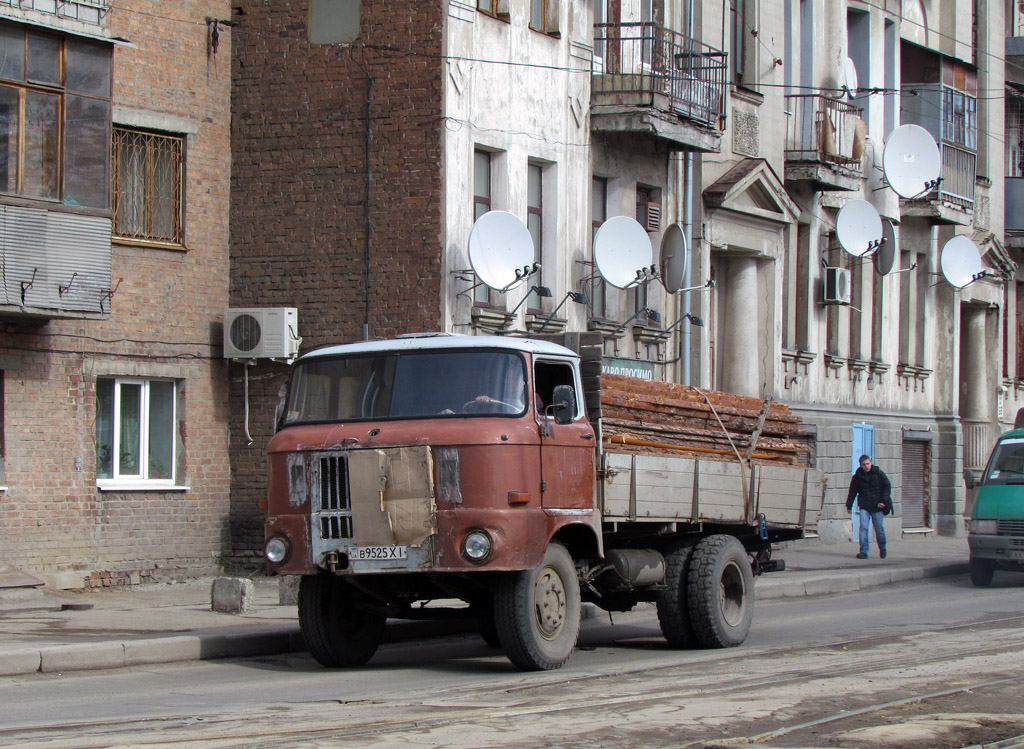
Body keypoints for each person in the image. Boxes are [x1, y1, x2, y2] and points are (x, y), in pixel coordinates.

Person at [846, 454, 893, 559]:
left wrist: (883, 501)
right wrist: (849, 505)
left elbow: (887, 486)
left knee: (879, 529)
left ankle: (882, 547)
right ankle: (864, 551)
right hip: (864, 505)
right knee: (863, 528)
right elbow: (852, 491)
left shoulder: (878, 473)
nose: (866, 466)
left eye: (868, 464)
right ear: (860, 465)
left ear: (871, 463)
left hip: (877, 506)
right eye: (864, 464)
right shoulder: (857, 477)